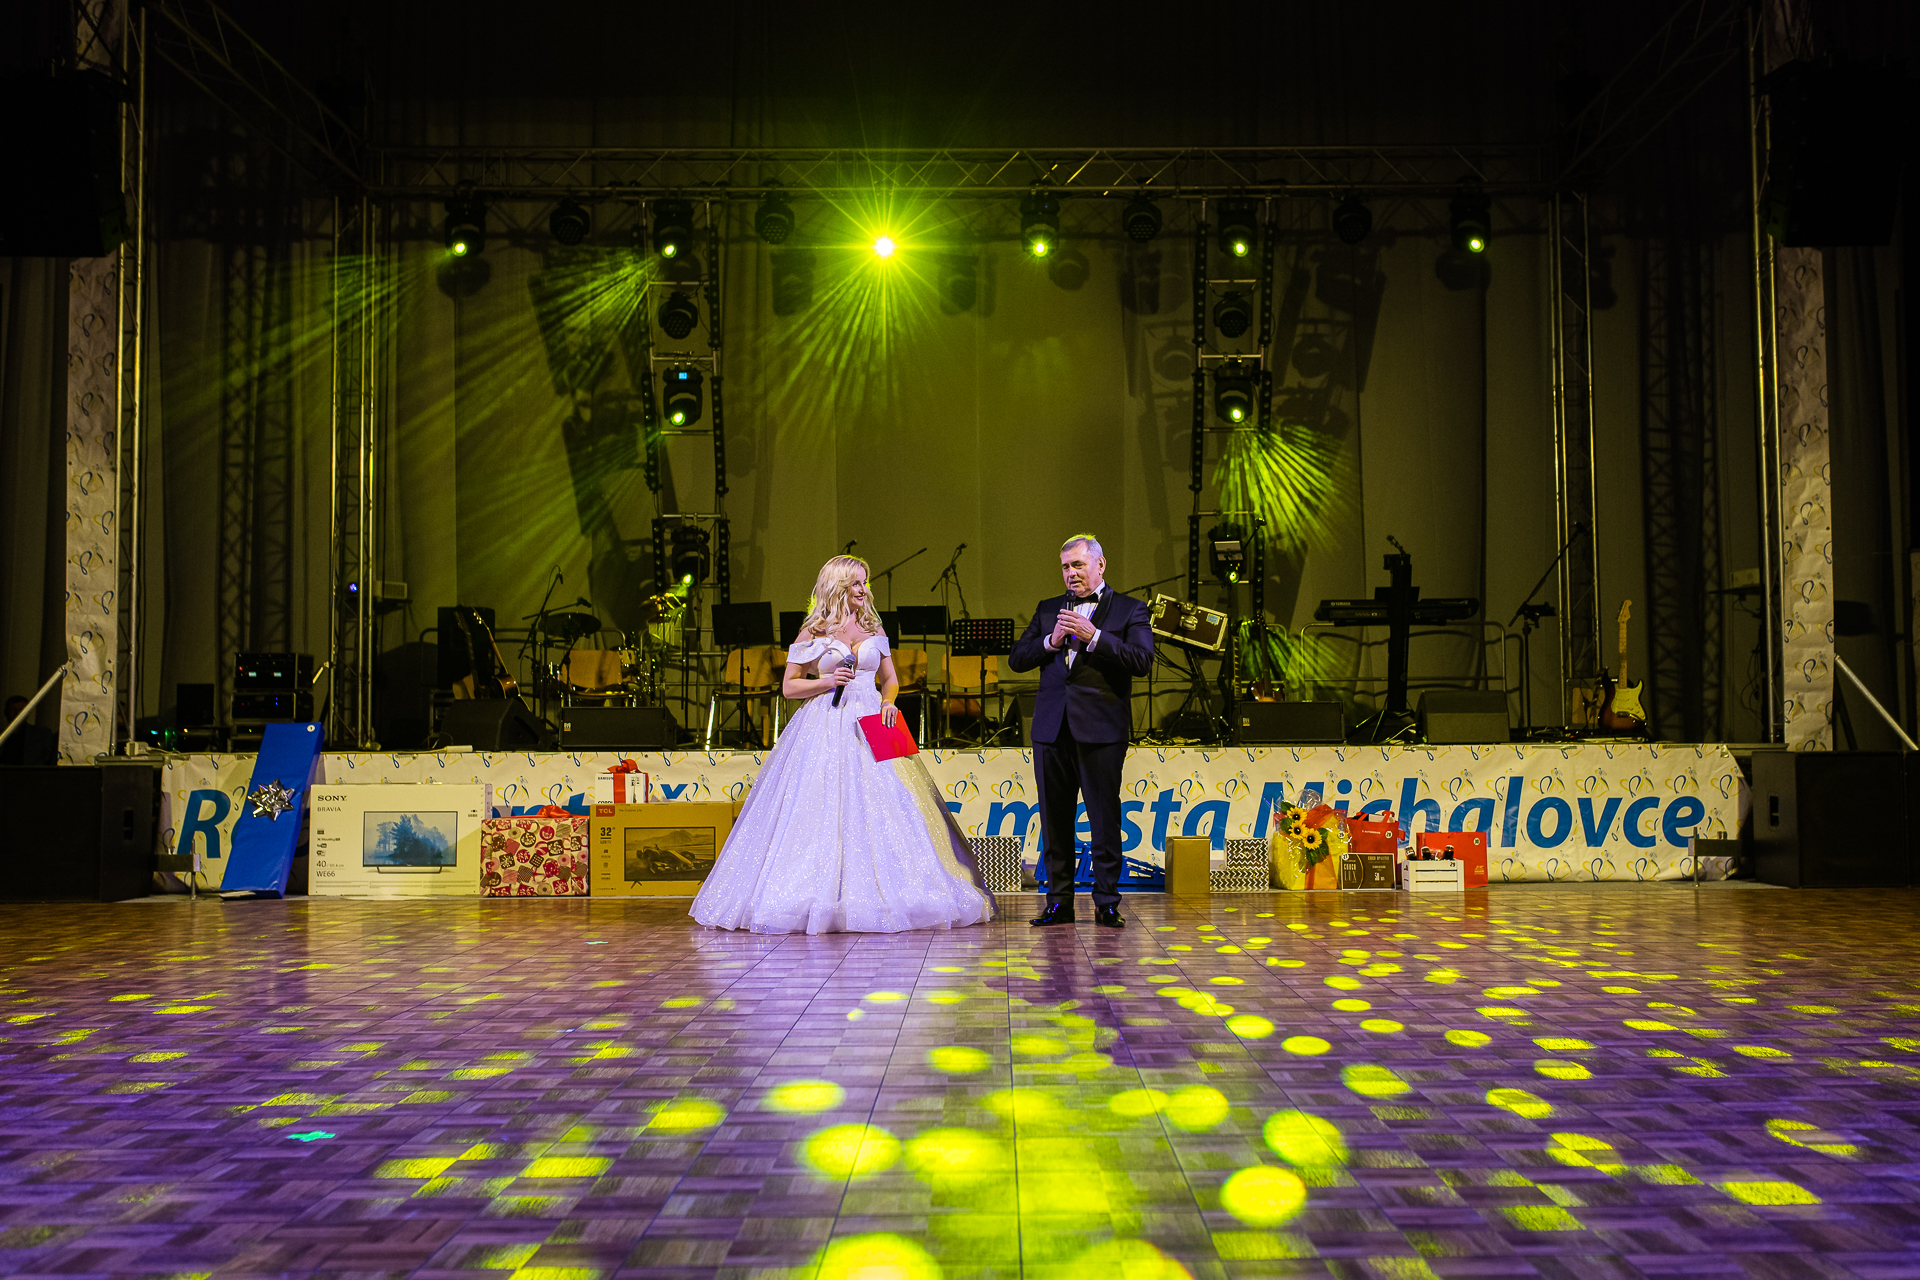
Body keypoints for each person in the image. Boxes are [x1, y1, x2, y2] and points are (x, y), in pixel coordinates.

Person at [690, 554, 996, 934]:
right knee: (822, 803)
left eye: (865, 583)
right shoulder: (813, 631)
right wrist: (826, 681)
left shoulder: (873, 627)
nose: (864, 590)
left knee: (887, 804)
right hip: (827, 720)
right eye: (856, 584)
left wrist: (888, 702)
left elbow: (890, 680)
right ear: (837, 587)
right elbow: (789, 687)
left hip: (872, 721)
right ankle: (820, 893)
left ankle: (889, 891)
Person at [1008, 534, 1155, 928]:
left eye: (1078, 565)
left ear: (1100, 565)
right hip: (1052, 728)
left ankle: (1106, 902)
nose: (1070, 573)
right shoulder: (1048, 609)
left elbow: (1142, 661)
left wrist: (1095, 638)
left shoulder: (1130, 609)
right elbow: (1017, 659)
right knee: (1054, 821)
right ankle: (1059, 902)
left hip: (1101, 728)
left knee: (1104, 819)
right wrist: (1050, 641)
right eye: (1065, 567)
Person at [1, 695, 59, 766]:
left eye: (21, 710)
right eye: (13, 710)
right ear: (6, 712)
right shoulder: (2, 735)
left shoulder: (41, 735)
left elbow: (48, 759)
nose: (17, 714)